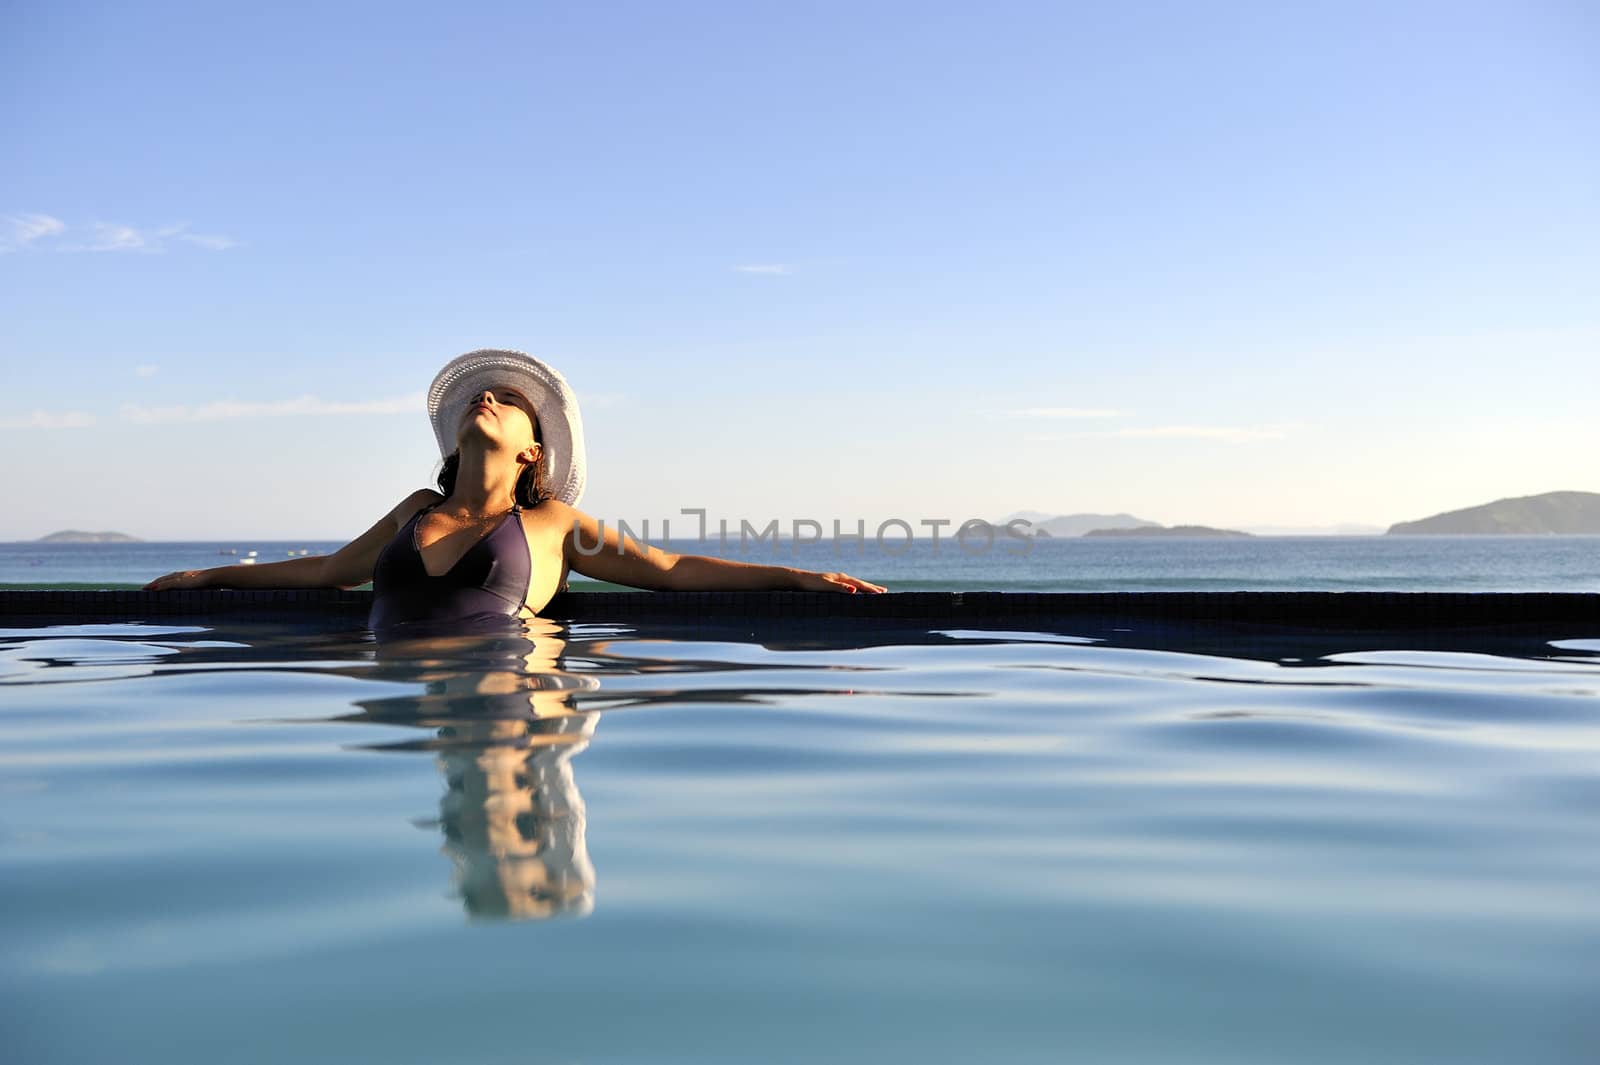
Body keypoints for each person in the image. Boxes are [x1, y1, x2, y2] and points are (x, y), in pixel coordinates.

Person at [146, 348, 887, 630]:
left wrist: (797, 576)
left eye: (506, 400)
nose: (487, 401)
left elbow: (669, 570)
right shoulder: (416, 509)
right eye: (481, 397)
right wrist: (211, 574)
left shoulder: (554, 523)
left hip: (496, 704)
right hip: (408, 708)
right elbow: (329, 571)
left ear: (533, 448)